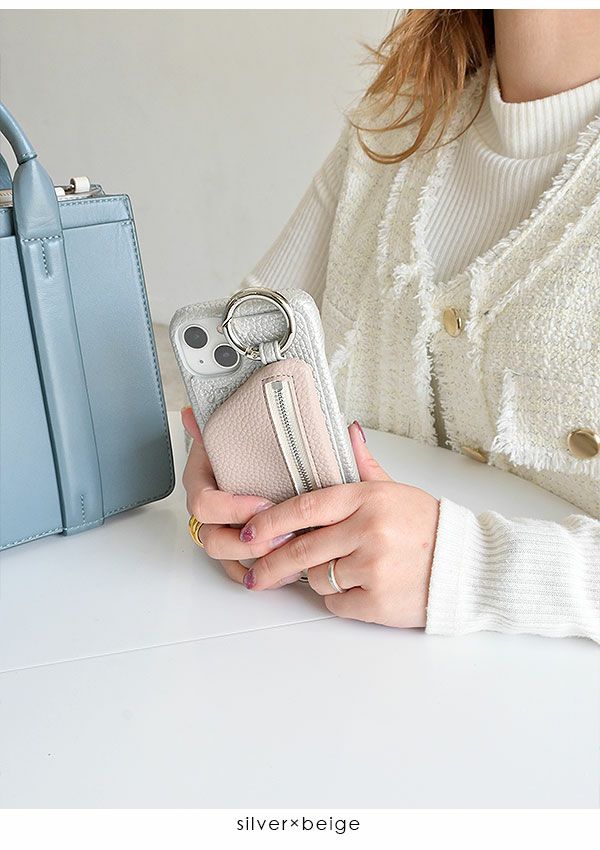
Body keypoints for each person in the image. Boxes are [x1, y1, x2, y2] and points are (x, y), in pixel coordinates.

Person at [181, 9, 600, 643]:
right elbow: (237, 359)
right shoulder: (401, 118)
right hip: (301, 669)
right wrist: (226, 478)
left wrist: (468, 568)